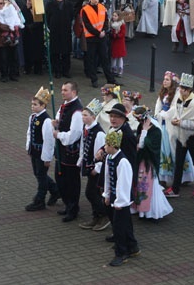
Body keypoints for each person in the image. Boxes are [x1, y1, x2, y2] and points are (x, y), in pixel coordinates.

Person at [102, 131, 140, 267]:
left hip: (121, 200)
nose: (105, 147)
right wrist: (107, 194)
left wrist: (120, 202)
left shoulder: (122, 161)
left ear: (113, 145)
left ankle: (121, 253)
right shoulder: (109, 158)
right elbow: (107, 177)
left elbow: (123, 183)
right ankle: (133, 246)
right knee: (126, 224)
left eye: (107, 144)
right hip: (114, 197)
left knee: (119, 227)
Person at [165, 73, 194, 198]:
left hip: (192, 137)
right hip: (181, 136)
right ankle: (175, 189)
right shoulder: (179, 99)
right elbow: (177, 113)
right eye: (180, 88)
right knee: (178, 162)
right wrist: (175, 120)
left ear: (188, 90)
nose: (180, 90)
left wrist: (181, 123)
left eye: (183, 89)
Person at [131, 106, 173, 220]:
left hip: (149, 163)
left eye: (138, 119)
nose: (138, 122)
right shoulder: (141, 126)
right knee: (140, 186)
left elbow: (144, 145)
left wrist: (144, 132)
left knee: (148, 187)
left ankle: (151, 212)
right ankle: (141, 210)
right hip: (141, 161)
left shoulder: (155, 130)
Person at [51, 81, 84, 222]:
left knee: (71, 182)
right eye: (62, 90)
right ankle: (67, 204)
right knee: (60, 179)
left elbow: (74, 134)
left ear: (74, 92)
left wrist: (59, 135)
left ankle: (73, 208)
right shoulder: (64, 106)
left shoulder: (77, 111)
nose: (62, 92)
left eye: (65, 90)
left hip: (71, 153)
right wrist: (57, 123)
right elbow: (62, 121)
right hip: (61, 151)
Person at [24, 87, 59, 212]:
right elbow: (30, 133)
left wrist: (47, 158)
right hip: (34, 150)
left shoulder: (46, 120)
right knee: (38, 174)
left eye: (35, 104)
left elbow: (49, 141)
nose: (32, 107)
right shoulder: (33, 117)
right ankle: (55, 190)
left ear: (43, 105)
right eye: (32, 104)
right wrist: (29, 147)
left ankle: (40, 200)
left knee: (41, 176)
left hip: (41, 152)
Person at [76, 99, 109, 231]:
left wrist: (97, 168)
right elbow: (84, 146)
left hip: (95, 169)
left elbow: (100, 153)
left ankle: (104, 215)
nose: (83, 117)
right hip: (88, 165)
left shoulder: (99, 133)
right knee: (92, 192)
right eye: (82, 115)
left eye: (86, 115)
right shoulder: (86, 128)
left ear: (93, 117)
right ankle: (96, 217)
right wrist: (80, 160)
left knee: (91, 193)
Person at [80, 0, 117, 88]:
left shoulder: (102, 7)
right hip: (91, 38)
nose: (95, 0)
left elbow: (106, 20)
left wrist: (104, 30)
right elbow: (87, 25)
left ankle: (110, 79)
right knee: (91, 60)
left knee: (105, 59)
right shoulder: (85, 10)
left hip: (102, 37)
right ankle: (94, 80)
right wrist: (98, 33)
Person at [45, 0, 75, 79]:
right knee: (55, 53)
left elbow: (71, 16)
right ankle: (57, 71)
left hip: (66, 32)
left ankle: (66, 71)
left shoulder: (69, 5)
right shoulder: (50, 5)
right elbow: (47, 17)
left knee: (66, 52)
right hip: (55, 32)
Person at [110, 10, 127, 77]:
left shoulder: (122, 24)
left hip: (119, 43)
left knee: (119, 57)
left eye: (115, 16)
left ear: (119, 17)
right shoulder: (112, 24)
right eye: (113, 15)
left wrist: (116, 35)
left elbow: (122, 34)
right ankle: (113, 69)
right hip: (114, 43)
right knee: (113, 57)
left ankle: (120, 70)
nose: (114, 17)